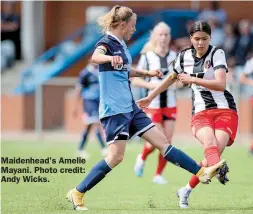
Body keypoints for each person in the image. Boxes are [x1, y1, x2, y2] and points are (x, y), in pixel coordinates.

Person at [66, 6, 226, 211]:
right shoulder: (106, 43)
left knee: (163, 143)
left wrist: (147, 73)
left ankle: (201, 172)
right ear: (122, 24)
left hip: (130, 107)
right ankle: (78, 192)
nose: (134, 29)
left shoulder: (122, 45)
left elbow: (125, 69)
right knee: (116, 157)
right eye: (132, 25)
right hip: (114, 110)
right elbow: (96, 57)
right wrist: (108, 58)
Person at [137, 20, 238, 209]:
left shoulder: (218, 54)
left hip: (225, 110)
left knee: (212, 156)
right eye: (197, 39)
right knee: (210, 145)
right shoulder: (183, 57)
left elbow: (220, 84)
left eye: (205, 39)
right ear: (191, 38)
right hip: (201, 112)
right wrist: (150, 97)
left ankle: (186, 189)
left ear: (210, 38)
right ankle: (219, 169)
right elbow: (170, 78)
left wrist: (192, 79)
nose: (201, 43)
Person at [132, 22, 178, 185]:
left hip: (171, 103)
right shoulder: (148, 56)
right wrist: (152, 86)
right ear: (155, 36)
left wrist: (181, 83)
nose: (164, 38)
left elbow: (179, 79)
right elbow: (135, 79)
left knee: (167, 142)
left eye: (166, 34)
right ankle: (142, 157)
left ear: (169, 37)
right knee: (155, 142)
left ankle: (158, 174)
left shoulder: (174, 56)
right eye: (160, 34)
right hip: (153, 105)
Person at [73, 62, 107, 159]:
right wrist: (76, 106)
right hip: (89, 101)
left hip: (98, 101)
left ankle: (80, 149)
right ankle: (103, 148)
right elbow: (78, 88)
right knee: (95, 123)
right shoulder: (85, 73)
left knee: (89, 126)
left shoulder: (99, 72)